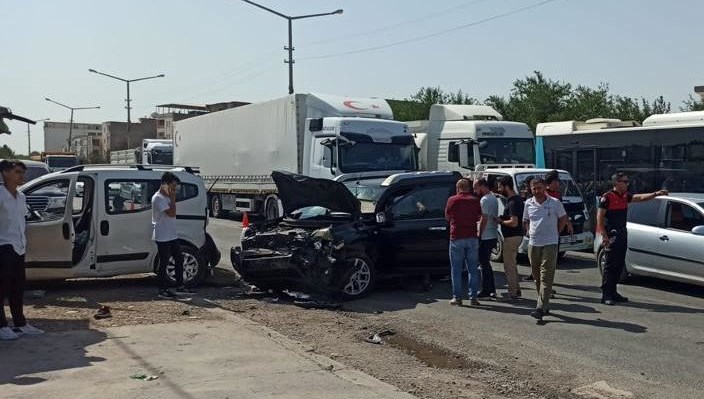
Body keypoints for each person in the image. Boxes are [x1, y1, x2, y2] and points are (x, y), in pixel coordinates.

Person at [597, 172, 668, 306]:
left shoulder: (624, 196)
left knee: (619, 264)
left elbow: (639, 198)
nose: (627, 184)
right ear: (617, 183)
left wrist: (655, 194)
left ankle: (614, 292)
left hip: (622, 233)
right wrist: (604, 236)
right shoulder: (607, 198)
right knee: (610, 265)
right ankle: (606, 294)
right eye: (625, 181)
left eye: (627, 181)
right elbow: (599, 218)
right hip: (611, 234)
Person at [0, 160, 44, 340]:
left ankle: (20, 323)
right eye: (17, 172)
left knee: (17, 288)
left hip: (19, 247)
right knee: (1, 289)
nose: (21, 176)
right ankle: (2, 326)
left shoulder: (21, 197)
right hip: (3, 246)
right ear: (5, 173)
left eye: (22, 173)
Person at [522, 178, 570, 321]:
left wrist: (556, 233)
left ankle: (540, 307)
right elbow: (526, 221)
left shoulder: (555, 203)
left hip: (550, 243)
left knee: (546, 275)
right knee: (537, 276)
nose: (537, 191)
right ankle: (544, 303)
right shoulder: (528, 203)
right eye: (534, 188)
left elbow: (563, 219)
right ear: (531, 189)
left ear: (545, 188)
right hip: (534, 243)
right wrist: (528, 232)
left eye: (540, 188)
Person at [445, 178, 482, 306]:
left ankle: (457, 297)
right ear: (469, 188)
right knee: (473, 269)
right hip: (472, 237)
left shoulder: (452, 200)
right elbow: (478, 217)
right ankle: (473, 297)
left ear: (458, 188)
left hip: (457, 237)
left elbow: (447, 217)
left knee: (456, 269)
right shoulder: (475, 200)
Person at [152, 172, 188, 299]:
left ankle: (180, 286)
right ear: (165, 184)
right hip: (162, 236)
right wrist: (173, 197)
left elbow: (173, 213)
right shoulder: (158, 198)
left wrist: (171, 197)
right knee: (164, 262)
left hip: (171, 235)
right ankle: (162, 289)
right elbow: (172, 213)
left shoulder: (167, 197)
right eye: (172, 186)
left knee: (179, 258)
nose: (174, 189)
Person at [496, 176, 524, 300]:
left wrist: (500, 221)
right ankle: (516, 289)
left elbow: (514, 222)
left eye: (500, 186)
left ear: (506, 186)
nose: (498, 189)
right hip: (516, 236)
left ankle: (512, 292)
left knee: (509, 266)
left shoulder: (513, 202)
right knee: (512, 264)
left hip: (512, 237)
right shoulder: (515, 200)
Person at [474, 179, 499, 298]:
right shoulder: (493, 197)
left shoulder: (484, 200)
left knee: (484, 264)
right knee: (486, 263)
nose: (475, 191)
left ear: (482, 186)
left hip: (486, 235)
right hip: (493, 234)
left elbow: (484, 219)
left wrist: (479, 234)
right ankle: (491, 289)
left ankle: (486, 289)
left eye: (476, 188)